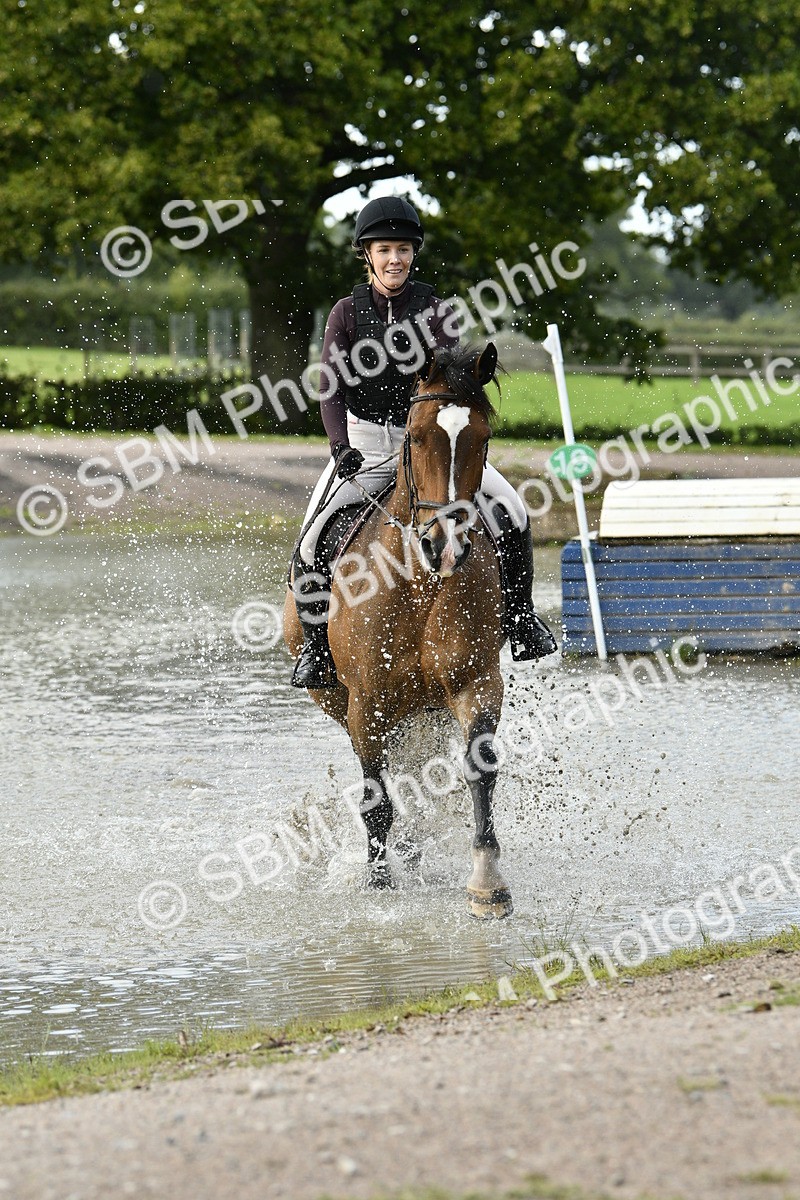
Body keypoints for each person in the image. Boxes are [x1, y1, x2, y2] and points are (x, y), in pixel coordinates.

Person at [290, 195, 556, 688]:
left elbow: (456, 385)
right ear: (365, 254)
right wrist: (338, 447)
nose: (395, 259)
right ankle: (316, 651)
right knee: (311, 538)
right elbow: (330, 388)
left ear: (414, 254)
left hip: (433, 445)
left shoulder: (438, 312)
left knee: (514, 510)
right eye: (385, 249)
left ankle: (520, 620)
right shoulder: (346, 314)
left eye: (404, 249)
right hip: (365, 444)